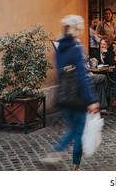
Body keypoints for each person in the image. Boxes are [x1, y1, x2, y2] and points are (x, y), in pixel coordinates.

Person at [42, 15, 99, 171]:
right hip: (78, 97)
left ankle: (57, 153)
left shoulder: (58, 50)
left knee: (72, 129)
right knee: (78, 130)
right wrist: (92, 99)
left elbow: (63, 73)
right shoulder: (77, 49)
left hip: (64, 96)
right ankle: (72, 164)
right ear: (77, 29)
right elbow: (83, 76)